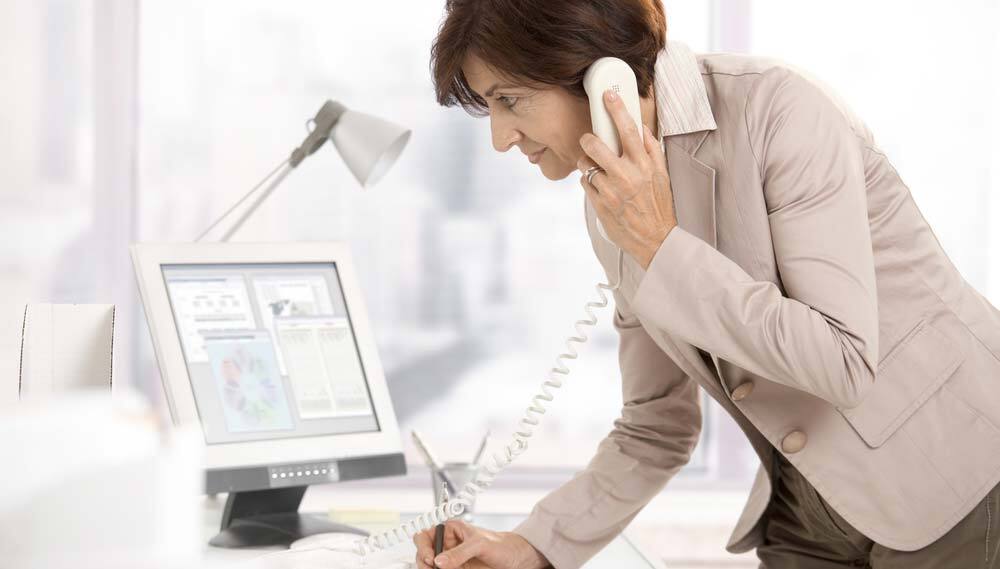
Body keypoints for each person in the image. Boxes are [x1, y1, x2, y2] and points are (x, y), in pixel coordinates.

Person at [414, 1, 1000, 568]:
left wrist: (660, 246)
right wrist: (532, 545)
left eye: (509, 101)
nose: (500, 138)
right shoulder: (609, 203)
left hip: (955, 485)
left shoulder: (778, 110)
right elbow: (655, 426)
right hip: (805, 513)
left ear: (595, 72)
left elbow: (841, 361)